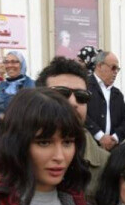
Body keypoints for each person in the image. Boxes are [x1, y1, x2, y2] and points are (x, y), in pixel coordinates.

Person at [35, 56, 110, 195]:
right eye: (61, 94)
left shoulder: (107, 164)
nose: (73, 102)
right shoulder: (19, 157)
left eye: (81, 96)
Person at [86, 50, 125, 150]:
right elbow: (81, 115)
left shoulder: (117, 94)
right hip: (89, 147)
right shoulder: (85, 86)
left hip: (113, 149)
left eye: (117, 69)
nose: (115, 72)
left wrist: (115, 138)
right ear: (99, 66)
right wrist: (100, 136)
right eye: (113, 67)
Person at [0, 51, 35, 121]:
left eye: (14, 62)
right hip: (4, 126)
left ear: (22, 64)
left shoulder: (32, 85)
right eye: (6, 62)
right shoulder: (0, 86)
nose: (9, 65)